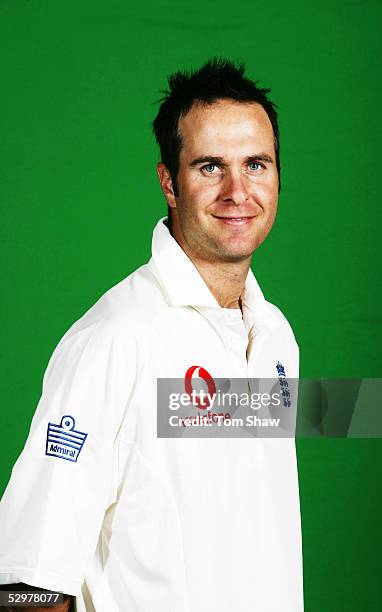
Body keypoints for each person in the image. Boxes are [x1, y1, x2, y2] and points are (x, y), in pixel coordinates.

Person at [0, 58, 303, 611]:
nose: (238, 191)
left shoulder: (276, 336)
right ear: (169, 181)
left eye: (256, 164)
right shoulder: (117, 340)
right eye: (210, 167)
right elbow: (27, 583)